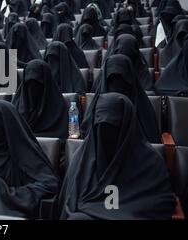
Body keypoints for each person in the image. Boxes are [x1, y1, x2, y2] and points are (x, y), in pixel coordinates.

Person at [59, 92, 175, 220]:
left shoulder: (150, 163)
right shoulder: (81, 161)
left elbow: (161, 202)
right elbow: (69, 203)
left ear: (128, 127)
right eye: (101, 128)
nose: (107, 135)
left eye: (114, 127)